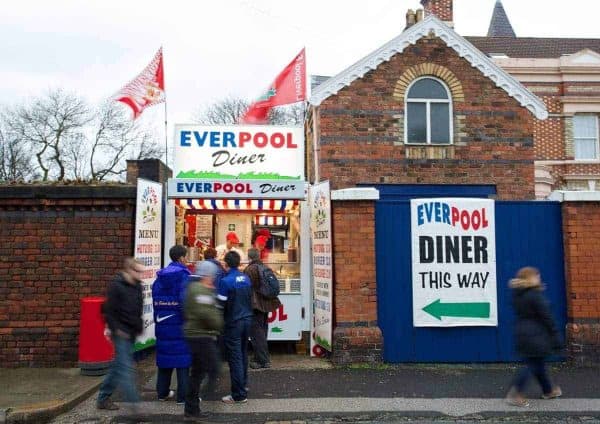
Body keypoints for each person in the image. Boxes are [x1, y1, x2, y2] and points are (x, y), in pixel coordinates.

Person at [506, 266, 563, 407]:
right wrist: (556, 337)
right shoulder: (534, 295)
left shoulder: (518, 294)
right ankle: (516, 393)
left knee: (538, 363)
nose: (539, 278)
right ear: (530, 278)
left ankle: (548, 391)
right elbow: (547, 318)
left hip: (522, 332)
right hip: (536, 334)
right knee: (533, 364)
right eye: (537, 276)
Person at [97, 258, 145, 411]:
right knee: (125, 368)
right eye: (137, 271)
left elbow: (138, 308)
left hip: (130, 331)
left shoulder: (138, 286)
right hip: (120, 333)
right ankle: (135, 406)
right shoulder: (116, 286)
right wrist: (116, 329)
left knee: (118, 366)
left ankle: (103, 397)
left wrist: (138, 326)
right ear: (129, 270)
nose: (140, 275)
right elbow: (108, 311)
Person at [183, 261, 224, 422]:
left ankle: (192, 409)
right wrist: (219, 324)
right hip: (201, 335)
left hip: (195, 334)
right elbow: (208, 315)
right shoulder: (201, 291)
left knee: (197, 373)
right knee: (213, 368)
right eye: (213, 276)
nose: (213, 279)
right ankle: (206, 395)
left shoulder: (193, 288)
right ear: (208, 275)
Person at [152, 245, 191, 404]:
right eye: (186, 256)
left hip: (162, 323)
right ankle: (183, 397)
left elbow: (155, 301)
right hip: (180, 325)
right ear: (181, 258)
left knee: (165, 359)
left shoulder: (158, 280)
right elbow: (186, 304)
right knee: (183, 361)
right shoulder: (184, 278)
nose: (187, 259)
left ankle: (162, 393)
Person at [217, 251, 253, 404]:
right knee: (243, 354)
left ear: (225, 264)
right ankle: (243, 385)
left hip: (233, 323)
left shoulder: (225, 281)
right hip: (247, 320)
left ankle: (238, 394)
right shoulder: (245, 278)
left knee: (235, 357)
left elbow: (220, 305)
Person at [244, 248, 281, 369]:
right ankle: (259, 357)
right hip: (266, 304)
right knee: (263, 332)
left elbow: (247, 288)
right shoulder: (263, 267)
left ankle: (262, 361)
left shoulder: (250, 269)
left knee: (257, 333)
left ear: (249, 257)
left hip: (256, 305)